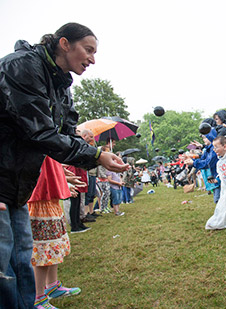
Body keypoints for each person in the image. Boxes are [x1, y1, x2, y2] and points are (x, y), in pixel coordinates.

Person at [0, 23, 129, 309]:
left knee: (22, 264)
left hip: (18, 187)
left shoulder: (62, 85)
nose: (93, 59)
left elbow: (67, 134)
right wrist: (96, 156)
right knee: (3, 274)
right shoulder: (21, 67)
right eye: (88, 50)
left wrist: (97, 154)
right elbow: (40, 132)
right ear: (64, 43)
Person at [27, 157, 81, 308]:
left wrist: (63, 182)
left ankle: (52, 285)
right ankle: (38, 297)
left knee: (54, 246)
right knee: (44, 250)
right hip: (40, 198)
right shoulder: (37, 137)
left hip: (50, 198)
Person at [185, 127, 221, 203]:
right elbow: (202, 159)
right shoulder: (208, 149)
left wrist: (193, 162)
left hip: (218, 178)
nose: (203, 140)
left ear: (210, 137)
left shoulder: (214, 149)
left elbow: (208, 163)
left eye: (205, 138)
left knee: (218, 201)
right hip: (213, 178)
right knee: (217, 200)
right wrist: (192, 160)